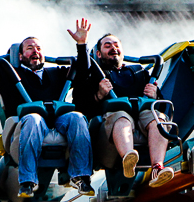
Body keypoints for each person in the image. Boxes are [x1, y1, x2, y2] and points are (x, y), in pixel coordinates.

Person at [0, 9, 94, 198]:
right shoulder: (8, 74)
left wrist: (81, 45)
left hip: (57, 123)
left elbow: (84, 73)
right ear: (20, 56)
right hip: (26, 124)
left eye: (38, 48)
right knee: (34, 119)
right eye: (29, 48)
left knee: (77, 117)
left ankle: (81, 176)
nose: (35, 51)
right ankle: (27, 181)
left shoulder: (57, 73)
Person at [74, 33, 174, 188]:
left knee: (157, 118)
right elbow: (81, 107)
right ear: (98, 54)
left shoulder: (140, 72)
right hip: (111, 124)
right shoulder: (94, 76)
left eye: (116, 45)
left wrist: (155, 95)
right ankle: (128, 156)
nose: (113, 48)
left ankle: (157, 167)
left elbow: (160, 105)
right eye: (107, 45)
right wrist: (99, 94)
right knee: (121, 116)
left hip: (142, 118)